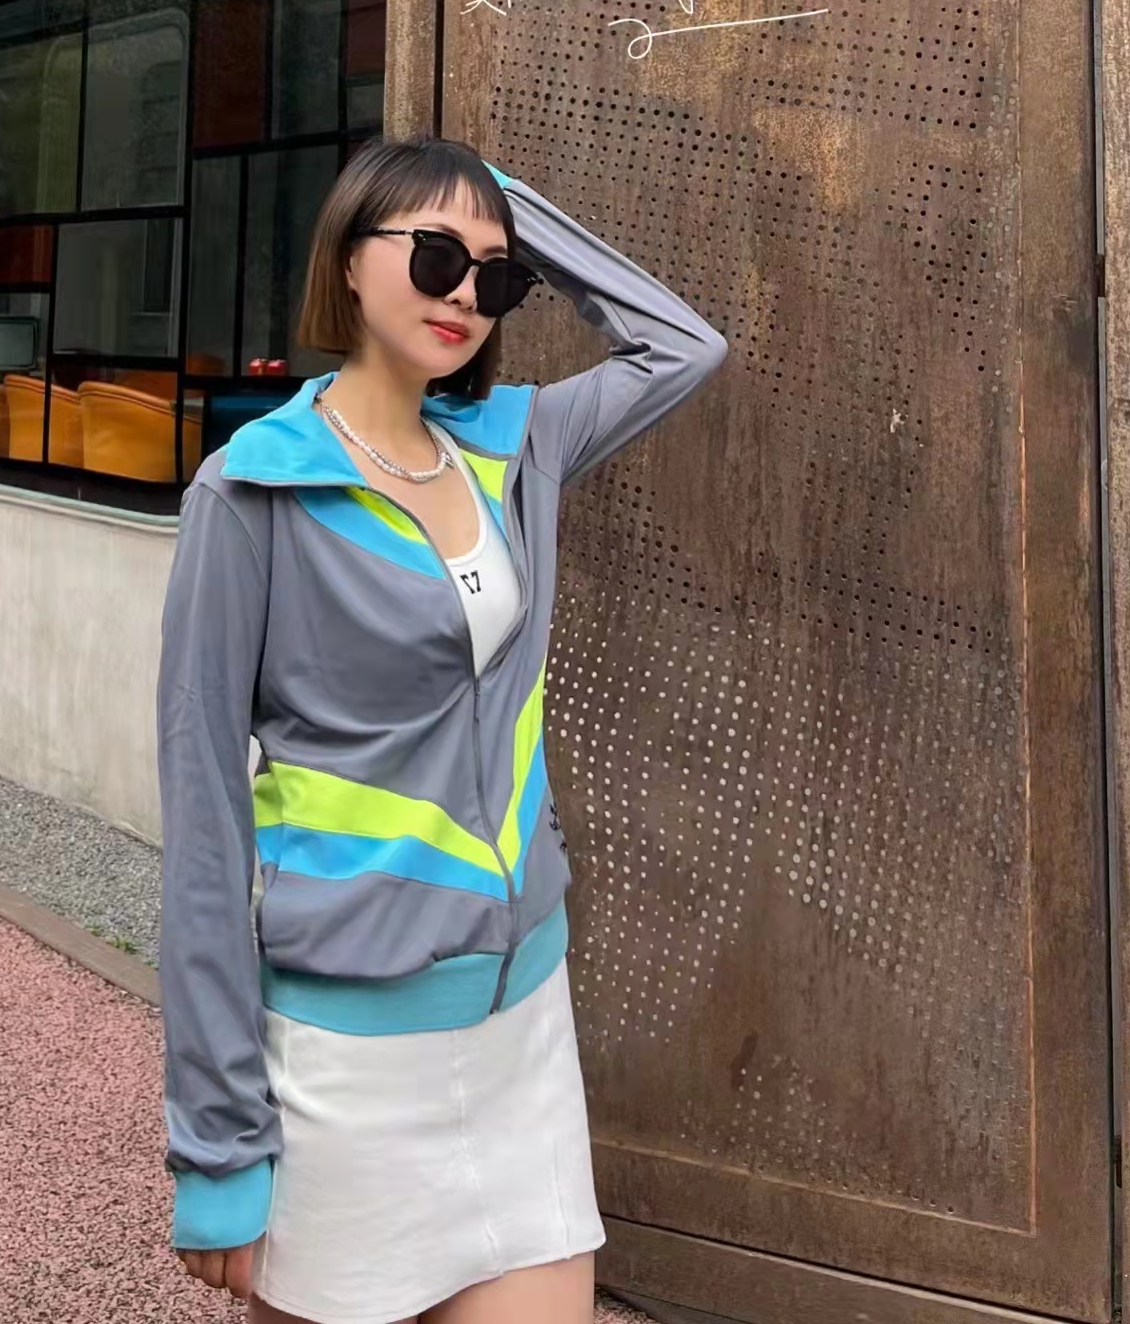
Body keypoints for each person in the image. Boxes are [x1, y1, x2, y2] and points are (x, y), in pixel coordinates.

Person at [156, 133, 728, 1324]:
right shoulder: (254, 492)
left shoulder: (515, 446)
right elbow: (203, 824)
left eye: (494, 274)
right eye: (432, 256)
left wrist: (506, 207)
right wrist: (218, 1140)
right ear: (347, 260)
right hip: (348, 1064)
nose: (465, 292)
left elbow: (683, 346)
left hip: (523, 1027)